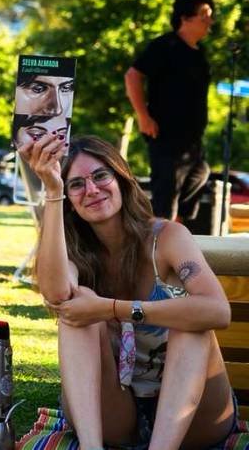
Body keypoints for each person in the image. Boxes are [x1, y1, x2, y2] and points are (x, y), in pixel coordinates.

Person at [21, 134, 234, 449]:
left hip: (195, 412)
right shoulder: (75, 250)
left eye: (100, 176)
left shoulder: (167, 237)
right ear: (69, 199)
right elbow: (56, 296)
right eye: (76, 184)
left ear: (121, 179)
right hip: (120, 409)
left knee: (191, 324)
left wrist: (111, 308)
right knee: (77, 316)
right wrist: (52, 192)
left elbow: (218, 311)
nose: (92, 189)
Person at [125, 0, 214, 221]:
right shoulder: (165, 45)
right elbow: (133, 76)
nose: (209, 21)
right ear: (185, 18)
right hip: (166, 135)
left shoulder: (200, 53)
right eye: (204, 15)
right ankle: (159, 241)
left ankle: (178, 235)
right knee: (167, 196)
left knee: (200, 175)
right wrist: (143, 116)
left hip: (193, 140)